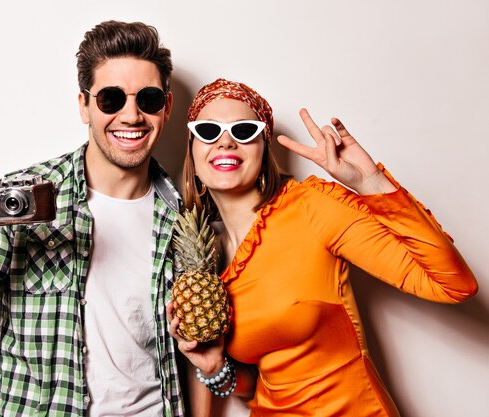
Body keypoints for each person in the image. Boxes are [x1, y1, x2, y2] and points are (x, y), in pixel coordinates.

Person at [169, 78, 478, 416]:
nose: (225, 142)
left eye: (244, 131)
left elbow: (453, 284)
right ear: (193, 150)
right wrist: (214, 369)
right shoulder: (205, 264)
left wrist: (369, 181)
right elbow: (260, 385)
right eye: (208, 131)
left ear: (263, 148)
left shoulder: (311, 208)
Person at [0, 20, 190, 417]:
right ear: (84, 105)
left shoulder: (185, 220)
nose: (131, 115)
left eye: (148, 99)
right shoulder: (24, 203)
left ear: (166, 108)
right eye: (111, 99)